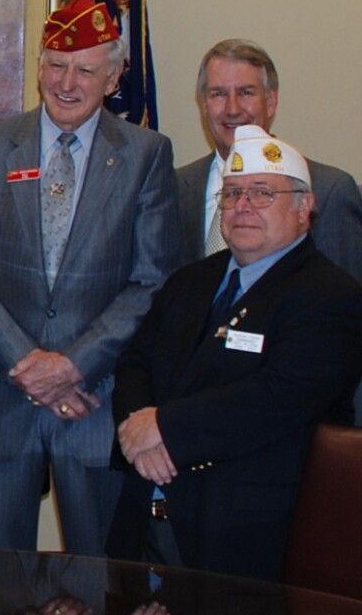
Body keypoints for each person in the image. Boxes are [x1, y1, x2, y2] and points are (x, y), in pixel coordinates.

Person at [0, 0, 180, 555]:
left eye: (86, 70)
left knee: (101, 587)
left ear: (114, 77)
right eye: (55, 65)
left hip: (94, 403)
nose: (67, 82)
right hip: (2, 395)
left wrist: (73, 366)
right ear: (39, 67)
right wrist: (26, 365)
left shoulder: (146, 155)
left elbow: (154, 281)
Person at [107, 125, 362, 581]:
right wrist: (135, 427)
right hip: (147, 515)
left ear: (305, 207)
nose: (242, 206)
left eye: (262, 193)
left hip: (245, 532)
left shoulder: (331, 296)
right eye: (232, 194)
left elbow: (275, 396)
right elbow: (134, 362)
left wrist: (162, 427)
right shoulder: (190, 280)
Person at [177, 38, 362, 283]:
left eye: (246, 92)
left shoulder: (329, 190)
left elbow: (345, 303)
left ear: (271, 102)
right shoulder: (174, 187)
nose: (232, 109)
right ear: (204, 105)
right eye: (218, 94)